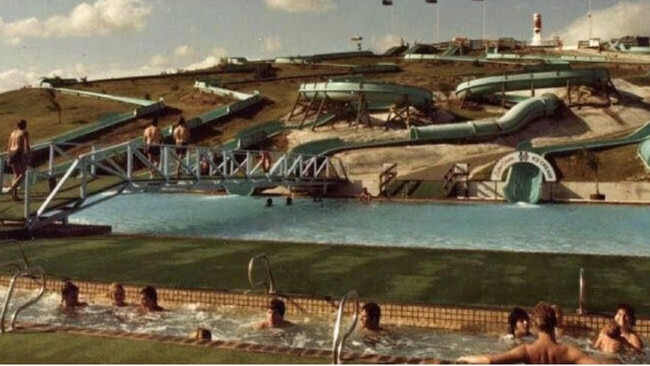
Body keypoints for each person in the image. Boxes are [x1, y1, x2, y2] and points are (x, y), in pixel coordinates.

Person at [457, 301, 599, 364]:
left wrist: (463, 357)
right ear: (555, 323)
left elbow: (490, 360)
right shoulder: (569, 352)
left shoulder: (526, 351)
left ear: (535, 325)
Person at [6, 119, 30, 201]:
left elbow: (8, 145)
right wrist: (28, 155)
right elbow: (26, 145)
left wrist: (8, 157)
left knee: (16, 175)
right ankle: (11, 188)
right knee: (22, 174)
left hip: (11, 152)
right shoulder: (24, 133)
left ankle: (14, 196)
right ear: (25, 125)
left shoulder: (13, 133)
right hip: (18, 152)